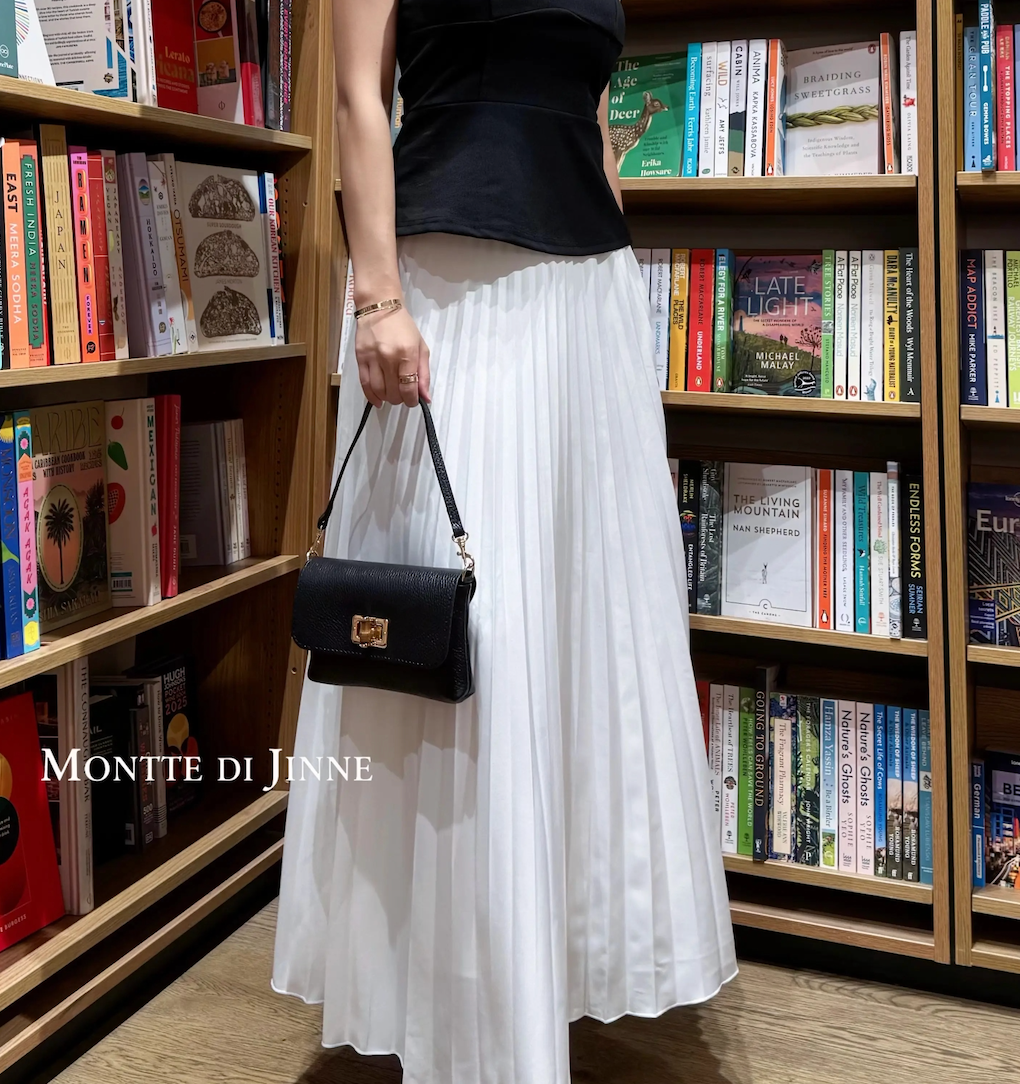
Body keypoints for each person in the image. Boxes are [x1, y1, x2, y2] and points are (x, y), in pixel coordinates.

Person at [271, 3, 737, 1083]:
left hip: (583, 302)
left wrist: (614, 301)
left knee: (582, 634)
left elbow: (593, 112)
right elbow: (357, 97)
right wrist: (375, 297)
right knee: (476, 640)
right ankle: (460, 1006)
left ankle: (545, 964)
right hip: (448, 291)